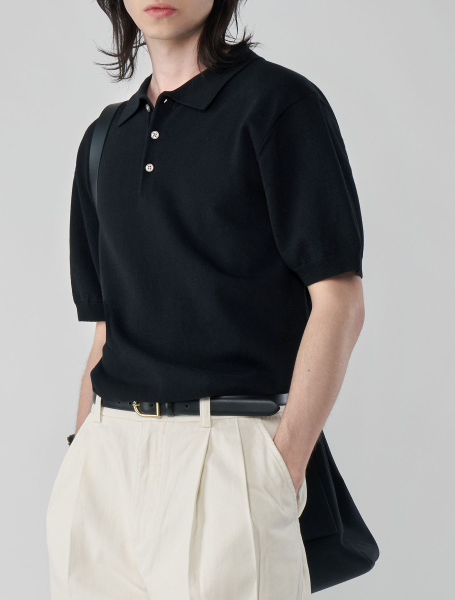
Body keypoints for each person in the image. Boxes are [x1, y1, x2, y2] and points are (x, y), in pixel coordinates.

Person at [46, 1, 365, 599]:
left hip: (228, 454)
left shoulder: (277, 105)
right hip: (105, 465)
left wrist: (282, 467)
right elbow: (106, 332)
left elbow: (338, 298)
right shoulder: (103, 139)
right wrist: (81, 449)